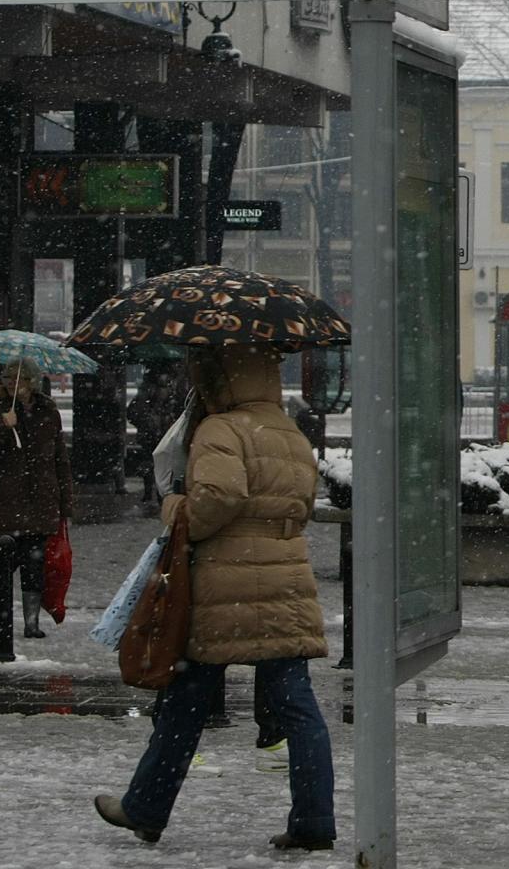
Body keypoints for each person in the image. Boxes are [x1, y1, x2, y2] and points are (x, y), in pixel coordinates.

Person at [94, 344, 334, 851]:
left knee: (185, 702)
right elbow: (305, 504)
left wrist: (177, 506)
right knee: (296, 704)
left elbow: (219, 499)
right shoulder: (290, 432)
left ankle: (145, 807)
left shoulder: (222, 428)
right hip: (286, 579)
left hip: (225, 585)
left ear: (221, 379)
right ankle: (313, 821)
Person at [0, 360, 73, 639]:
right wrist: (4, 427)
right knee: (4, 558)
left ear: (31, 381)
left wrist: (65, 501)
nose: (12, 383)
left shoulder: (48, 411)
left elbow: (59, 458)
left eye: (18, 378)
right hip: (6, 500)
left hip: (40, 499)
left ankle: (31, 621)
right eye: (7, 377)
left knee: (34, 562)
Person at [126, 358, 188, 505]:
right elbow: (135, 411)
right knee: (156, 462)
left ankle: (155, 493)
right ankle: (154, 492)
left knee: (157, 462)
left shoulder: (166, 388)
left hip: (159, 432)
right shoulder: (153, 390)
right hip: (154, 433)